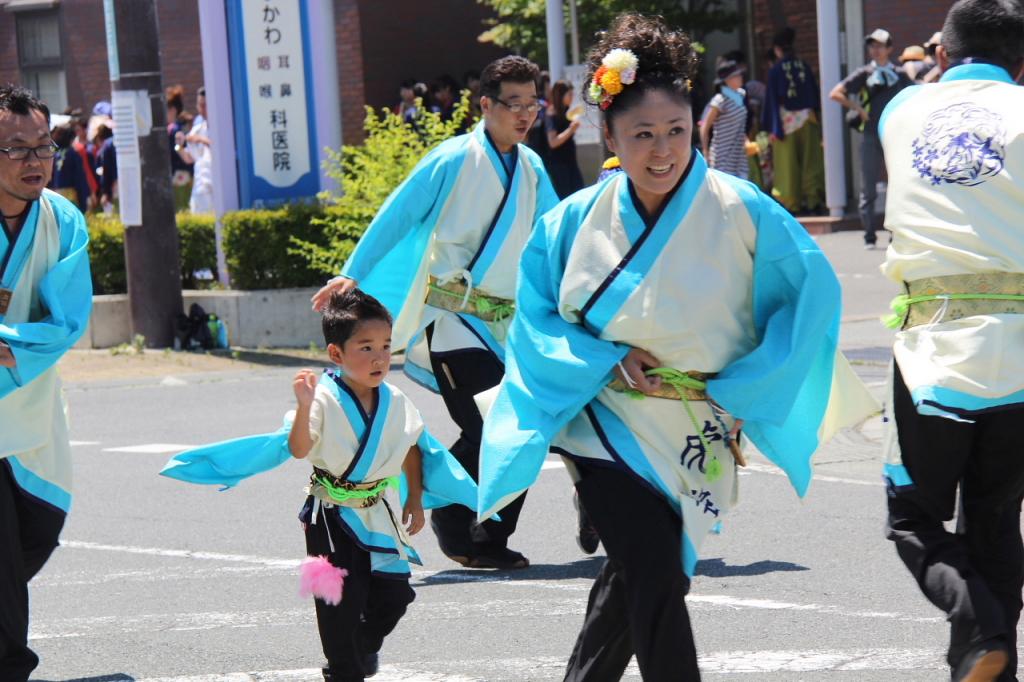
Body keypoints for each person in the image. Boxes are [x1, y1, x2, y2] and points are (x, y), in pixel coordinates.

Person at [476, 15, 876, 680]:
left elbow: (810, 298)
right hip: (605, 419)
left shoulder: (743, 208)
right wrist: (604, 356)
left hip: (698, 416)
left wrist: (751, 384)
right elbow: (535, 319)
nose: (661, 150)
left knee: (642, 575)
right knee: (655, 571)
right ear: (609, 135)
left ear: (698, 128)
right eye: (641, 135)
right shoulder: (570, 222)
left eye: (677, 132)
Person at [309, 56, 559, 570]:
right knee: (496, 423)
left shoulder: (531, 168)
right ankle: (464, 524)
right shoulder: (453, 159)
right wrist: (352, 271)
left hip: (506, 325)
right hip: (454, 321)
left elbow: (558, 231)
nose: (525, 114)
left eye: (532, 103)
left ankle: (474, 528)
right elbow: (399, 212)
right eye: (513, 104)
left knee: (514, 425)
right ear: (485, 105)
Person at [162, 289, 481, 682]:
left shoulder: (396, 400)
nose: (379, 356)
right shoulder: (323, 399)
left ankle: (361, 647)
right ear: (336, 354)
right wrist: (302, 406)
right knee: (338, 608)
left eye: (385, 345)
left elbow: (411, 446)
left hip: (378, 514)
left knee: (396, 596)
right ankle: (344, 668)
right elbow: (299, 448)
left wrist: (414, 498)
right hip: (329, 516)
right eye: (365, 347)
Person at [876, 1, 1024, 680]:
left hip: (933, 354)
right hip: (1021, 354)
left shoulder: (901, 110)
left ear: (939, 54)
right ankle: (996, 657)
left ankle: (978, 629)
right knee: (996, 522)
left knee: (914, 519)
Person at [0, 83, 92, 682]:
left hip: (30, 407)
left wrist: (9, 349)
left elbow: (68, 320)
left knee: (41, 528)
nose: (36, 160)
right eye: (16, 148)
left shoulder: (63, 220)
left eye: (45, 146)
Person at [829, 28, 912, 249]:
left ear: (890, 49)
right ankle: (869, 235)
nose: (875, 50)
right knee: (869, 186)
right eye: (872, 45)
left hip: (895, 135)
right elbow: (835, 93)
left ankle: (897, 233)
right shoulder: (864, 73)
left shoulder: (900, 74)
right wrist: (858, 108)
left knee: (899, 183)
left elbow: (915, 94)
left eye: (880, 45)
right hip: (870, 134)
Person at [762, 27, 826, 215]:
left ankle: (792, 204)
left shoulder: (775, 70)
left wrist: (771, 126)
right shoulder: (804, 66)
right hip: (808, 119)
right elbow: (814, 95)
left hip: (785, 121)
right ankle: (813, 200)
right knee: (810, 161)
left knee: (787, 165)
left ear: (777, 49)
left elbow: (771, 100)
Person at [700, 58, 750, 179]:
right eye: (736, 75)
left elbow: (740, 123)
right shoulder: (719, 100)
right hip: (722, 155)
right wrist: (705, 152)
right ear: (727, 80)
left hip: (739, 154)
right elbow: (704, 127)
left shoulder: (741, 94)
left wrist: (746, 140)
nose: (740, 77)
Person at [544, 80, 584, 198]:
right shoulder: (551, 114)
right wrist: (571, 130)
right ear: (561, 95)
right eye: (569, 94)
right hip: (559, 166)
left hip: (570, 162)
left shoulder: (566, 112)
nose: (572, 98)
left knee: (579, 194)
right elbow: (553, 142)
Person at [176, 87, 213, 214]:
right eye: (199, 105)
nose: (202, 109)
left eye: (205, 105)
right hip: (200, 182)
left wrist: (200, 139)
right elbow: (188, 158)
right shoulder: (198, 127)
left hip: (216, 182)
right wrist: (178, 146)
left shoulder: (223, 124)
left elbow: (221, 148)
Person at [49, 123, 91, 213]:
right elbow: (80, 179)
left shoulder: (54, 155)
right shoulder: (74, 154)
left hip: (55, 196)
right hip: (71, 197)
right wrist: (83, 203)